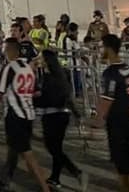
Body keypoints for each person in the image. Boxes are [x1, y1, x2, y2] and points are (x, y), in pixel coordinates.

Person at [0, 38, 50, 192]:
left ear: (10, 50)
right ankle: (5, 181)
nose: (3, 52)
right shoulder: (28, 68)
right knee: (14, 150)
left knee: (27, 154)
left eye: (5, 49)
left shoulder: (8, 68)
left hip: (15, 115)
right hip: (28, 114)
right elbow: (34, 91)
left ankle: (45, 187)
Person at [93, 34, 129, 192]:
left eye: (101, 47)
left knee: (123, 167)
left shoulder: (110, 73)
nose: (99, 51)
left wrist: (97, 121)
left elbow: (107, 100)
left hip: (119, 124)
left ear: (108, 48)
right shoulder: (128, 69)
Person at [35, 50, 86, 190]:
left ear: (46, 60)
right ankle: (55, 178)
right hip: (63, 115)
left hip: (52, 116)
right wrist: (76, 114)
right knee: (56, 148)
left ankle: (75, 171)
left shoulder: (48, 77)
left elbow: (48, 98)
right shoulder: (62, 74)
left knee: (54, 148)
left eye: (41, 57)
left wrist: (34, 99)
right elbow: (67, 96)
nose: (38, 59)